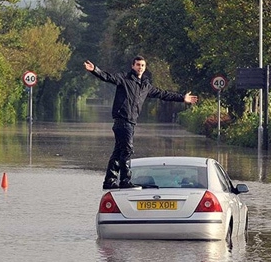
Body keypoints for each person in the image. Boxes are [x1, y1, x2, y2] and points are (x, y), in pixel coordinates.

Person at [84, 56, 198, 189]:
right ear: (133, 66)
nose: (140, 67)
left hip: (131, 122)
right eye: (138, 65)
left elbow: (163, 94)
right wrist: (95, 70)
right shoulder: (124, 79)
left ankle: (109, 181)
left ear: (145, 67)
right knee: (127, 150)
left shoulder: (145, 86)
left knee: (119, 151)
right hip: (122, 120)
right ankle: (125, 181)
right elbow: (108, 77)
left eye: (143, 65)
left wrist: (182, 98)